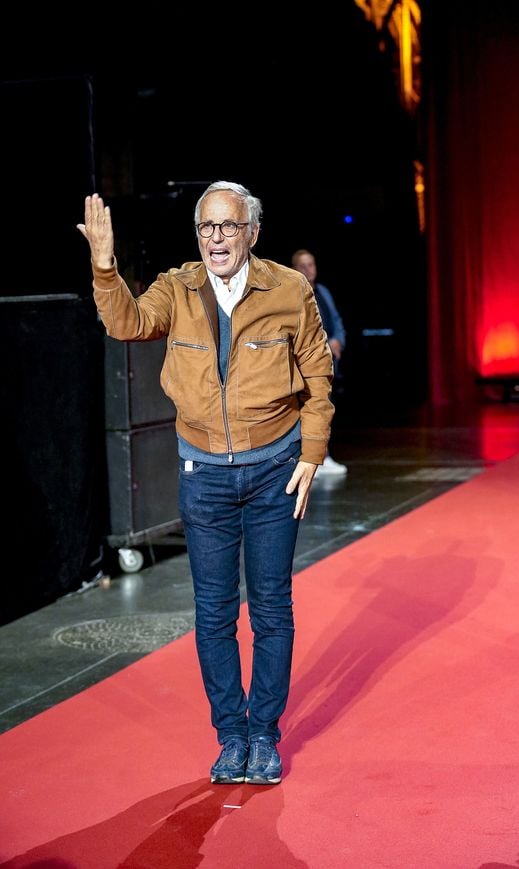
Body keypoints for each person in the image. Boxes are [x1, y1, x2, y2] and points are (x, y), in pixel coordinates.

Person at [77, 182, 334, 786]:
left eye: (228, 226)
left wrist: (312, 452)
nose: (216, 238)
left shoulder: (288, 289)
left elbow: (318, 372)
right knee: (214, 614)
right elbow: (127, 322)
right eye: (206, 227)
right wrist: (105, 268)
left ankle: (264, 735)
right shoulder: (177, 287)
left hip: (275, 471)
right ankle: (231, 737)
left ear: (252, 232)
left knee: (271, 608)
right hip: (204, 476)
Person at [291, 249, 347, 475]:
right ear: (294, 269)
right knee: (308, 410)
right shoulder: (292, 293)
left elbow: (335, 320)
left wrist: (338, 341)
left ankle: (323, 456)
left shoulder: (322, 291)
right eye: (303, 266)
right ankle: (311, 459)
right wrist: (325, 342)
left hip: (328, 363)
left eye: (311, 265)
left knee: (324, 408)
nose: (308, 270)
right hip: (306, 364)